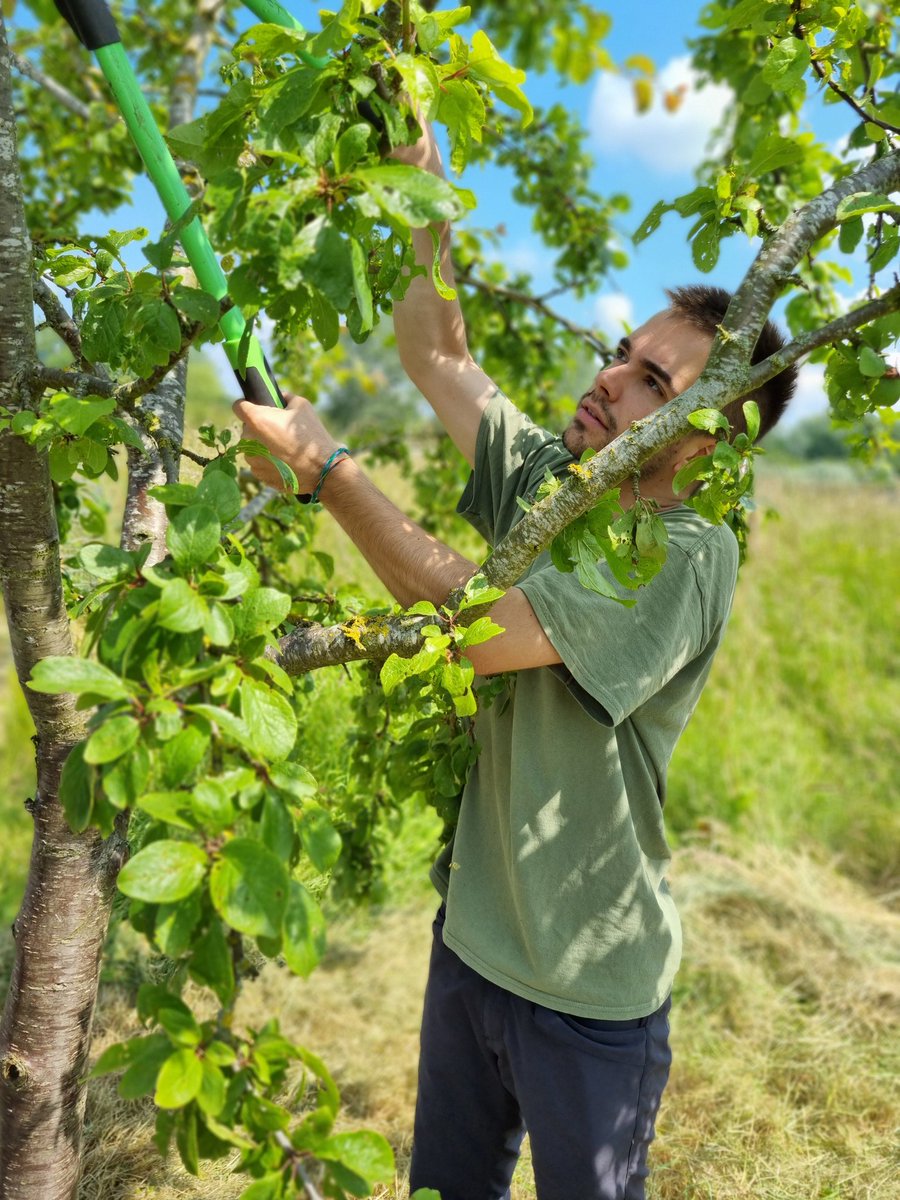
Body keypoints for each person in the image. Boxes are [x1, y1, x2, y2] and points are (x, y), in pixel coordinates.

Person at [235, 122, 797, 1200]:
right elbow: (438, 355)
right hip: (475, 946)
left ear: (709, 434)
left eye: (649, 381)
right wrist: (421, 197)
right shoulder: (554, 488)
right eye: (620, 355)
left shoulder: (685, 554)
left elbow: (485, 632)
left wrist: (328, 473)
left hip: (590, 991)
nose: (608, 380)